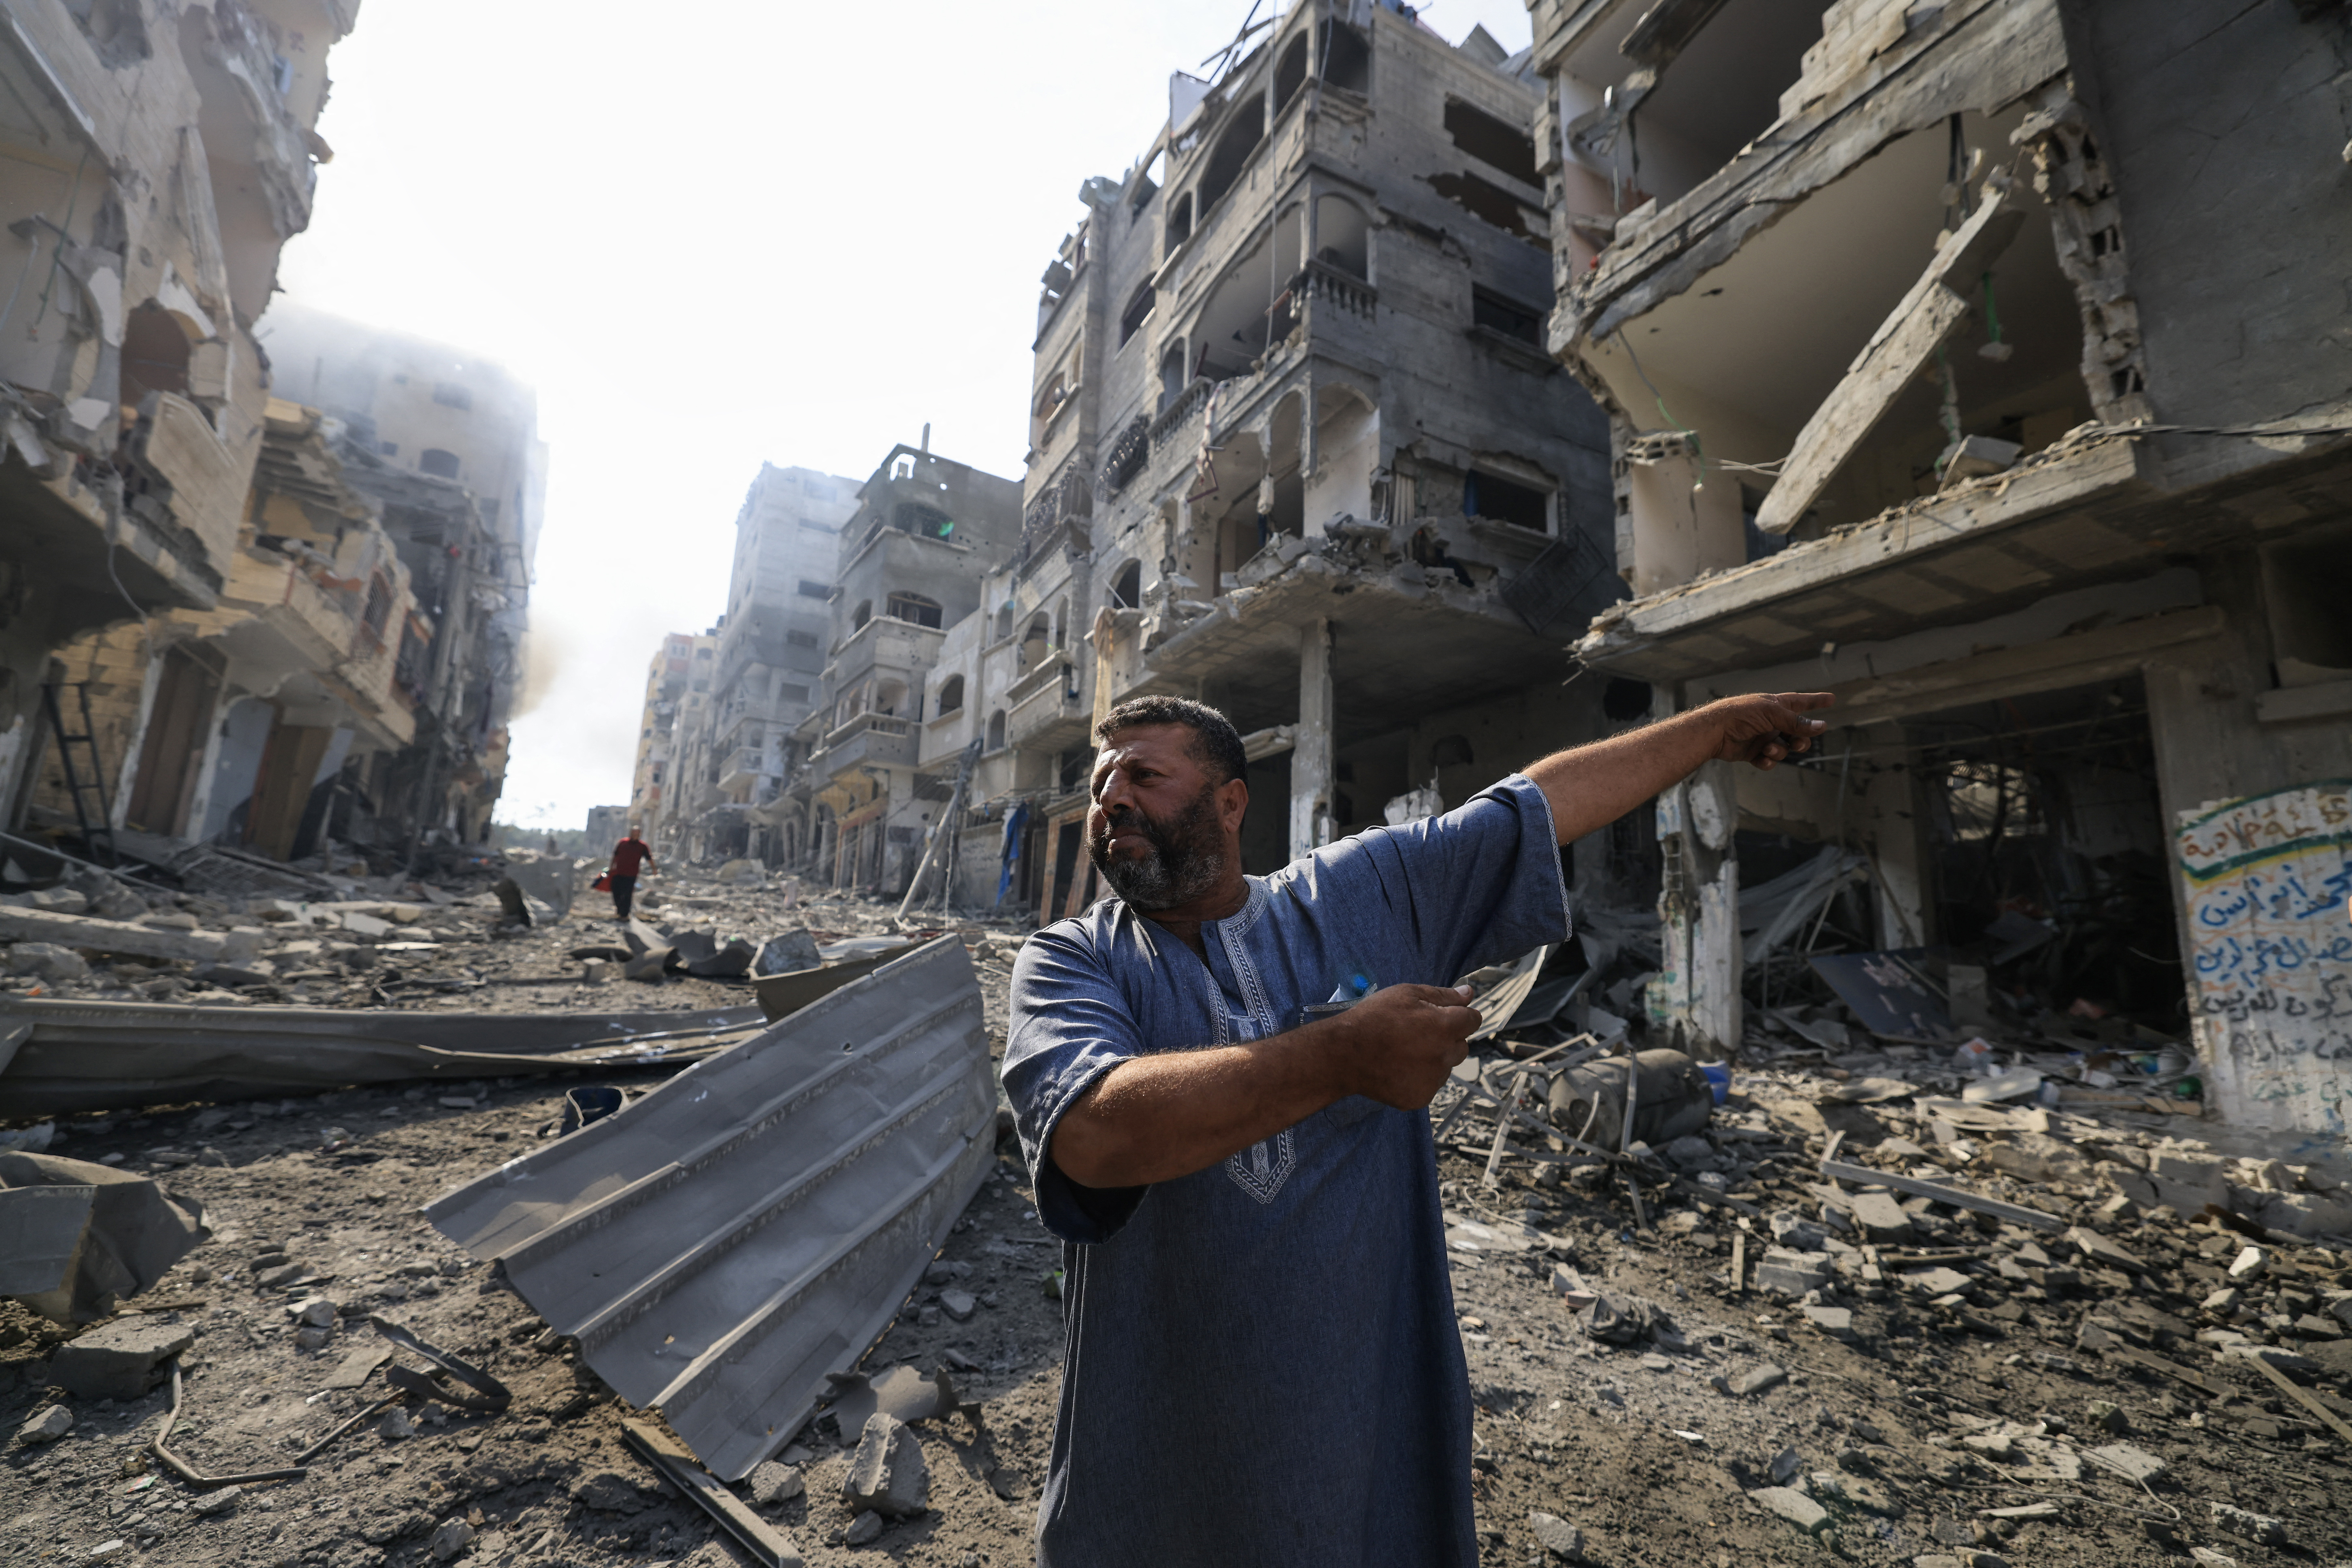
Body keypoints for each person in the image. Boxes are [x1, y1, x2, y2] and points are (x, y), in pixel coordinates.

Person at [1003, 690, 1833, 1567]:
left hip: (1357, 1444)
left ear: (1231, 801)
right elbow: (1093, 1137)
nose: (1111, 799)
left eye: (1143, 774)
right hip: (1156, 1465)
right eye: (1101, 785)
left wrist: (1713, 726)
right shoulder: (1069, 960)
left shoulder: (1358, 896)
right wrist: (1337, 1056)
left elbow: (1533, 808)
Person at [607, 827, 656, 920]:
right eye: (633, 833)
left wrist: (654, 869)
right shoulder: (623, 843)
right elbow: (615, 855)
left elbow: (649, 858)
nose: (635, 835)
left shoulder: (642, 846)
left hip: (631, 875)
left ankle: (625, 915)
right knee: (616, 891)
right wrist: (611, 867)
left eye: (637, 833)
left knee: (627, 894)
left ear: (639, 834)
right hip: (618, 872)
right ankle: (619, 910)